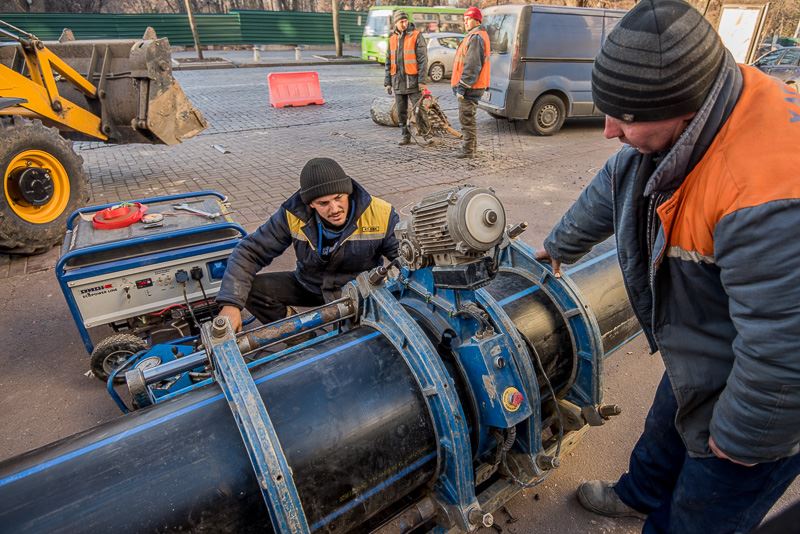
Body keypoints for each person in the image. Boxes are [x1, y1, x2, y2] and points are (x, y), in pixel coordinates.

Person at [534, 1, 800, 532]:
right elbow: (619, 180)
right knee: (666, 426)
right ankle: (639, 494)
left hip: (770, 395)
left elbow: (786, 347)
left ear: (682, 108)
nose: (608, 130)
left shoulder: (767, 197)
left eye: (624, 118)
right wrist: (559, 247)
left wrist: (744, 436)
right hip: (708, 342)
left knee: (701, 508)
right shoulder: (703, 99)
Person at [216, 157, 400, 332]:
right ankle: (299, 335)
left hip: (361, 291)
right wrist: (231, 303)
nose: (335, 209)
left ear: (348, 192)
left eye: (339, 198)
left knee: (359, 341)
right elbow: (250, 251)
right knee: (249, 290)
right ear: (310, 203)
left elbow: (403, 258)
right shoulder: (292, 214)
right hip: (311, 285)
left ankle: (358, 326)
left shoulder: (381, 213)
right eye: (324, 203)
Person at [451, 6, 490, 159]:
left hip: (470, 87)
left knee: (466, 119)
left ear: (477, 20)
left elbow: (472, 66)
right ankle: (470, 148)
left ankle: (467, 151)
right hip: (473, 86)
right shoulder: (475, 36)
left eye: (468, 19)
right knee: (469, 118)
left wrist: (462, 87)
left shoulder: (476, 37)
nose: (465, 22)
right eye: (464, 19)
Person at [384, 11, 428, 146]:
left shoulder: (416, 35)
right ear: (395, 23)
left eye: (405, 21)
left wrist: (421, 81)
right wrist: (388, 82)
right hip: (397, 81)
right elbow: (388, 62)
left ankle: (426, 135)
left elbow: (423, 60)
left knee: (419, 109)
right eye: (401, 21)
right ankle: (405, 135)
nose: (404, 23)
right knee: (401, 110)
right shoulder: (392, 39)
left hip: (413, 81)